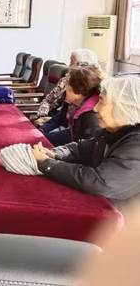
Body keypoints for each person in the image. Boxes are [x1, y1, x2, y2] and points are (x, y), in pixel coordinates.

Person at [33, 76, 140, 209]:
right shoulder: (115, 131)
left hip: (120, 216)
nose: (95, 109)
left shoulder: (136, 146)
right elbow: (83, 148)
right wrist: (55, 153)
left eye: (101, 102)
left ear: (124, 107)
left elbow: (99, 181)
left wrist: (46, 164)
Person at [34, 48, 99, 132]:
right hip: (55, 118)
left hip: (64, 126)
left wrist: (50, 120)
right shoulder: (65, 80)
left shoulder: (89, 100)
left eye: (72, 62)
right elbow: (49, 100)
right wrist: (42, 116)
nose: (69, 66)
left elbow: (70, 125)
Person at [45, 64, 103, 145]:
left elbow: (90, 146)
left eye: (68, 88)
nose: (65, 90)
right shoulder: (77, 103)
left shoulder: (91, 115)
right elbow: (74, 133)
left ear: (79, 92)